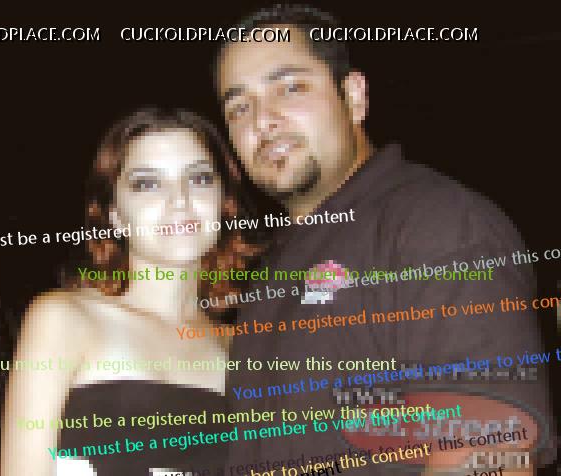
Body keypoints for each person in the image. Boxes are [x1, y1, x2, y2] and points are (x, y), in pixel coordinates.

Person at [213, 4, 556, 475]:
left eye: (290, 88)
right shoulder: (269, 270)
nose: (261, 121)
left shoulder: (433, 222)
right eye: (239, 107)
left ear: (353, 96)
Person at [0, 108, 260, 476]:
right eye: (148, 183)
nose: (180, 200)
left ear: (225, 202)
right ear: (114, 215)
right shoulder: (63, 318)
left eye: (199, 178)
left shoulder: (241, 346)